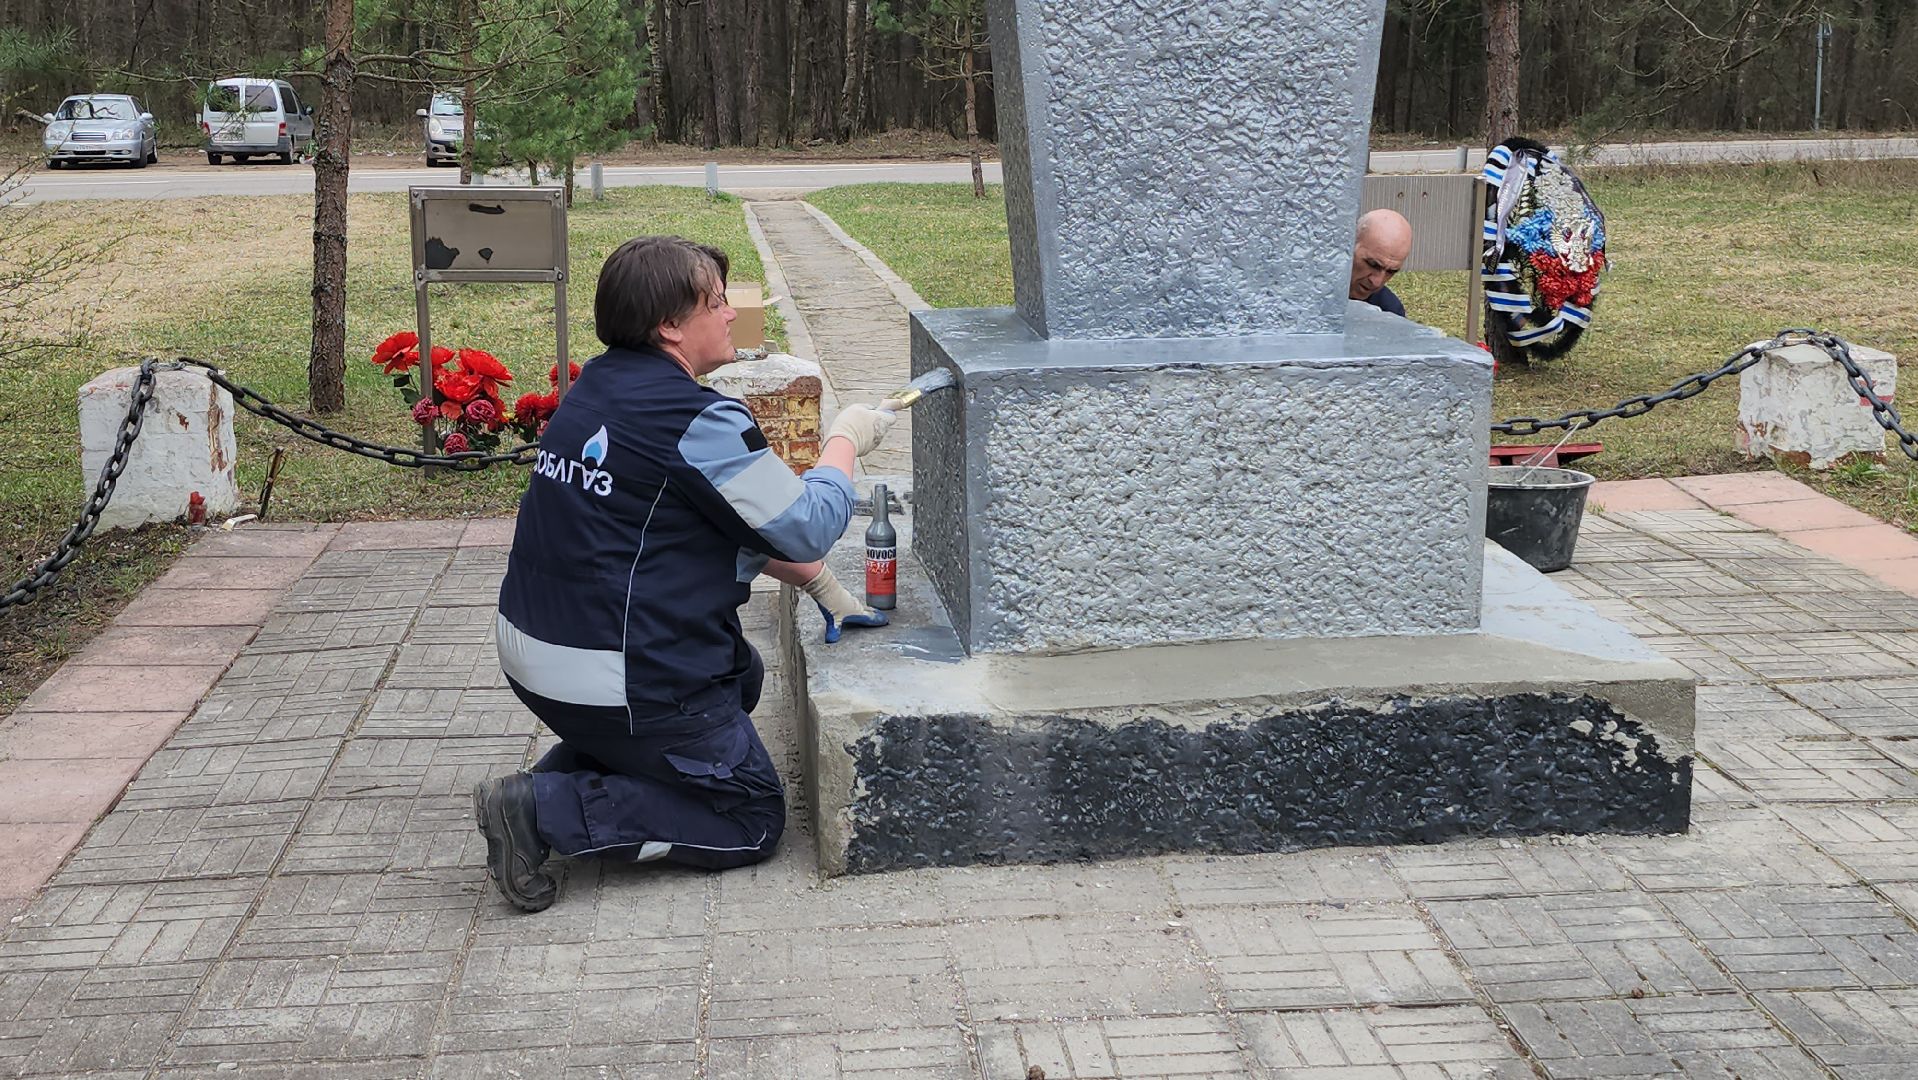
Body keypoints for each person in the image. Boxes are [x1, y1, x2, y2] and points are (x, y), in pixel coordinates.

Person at [475, 235, 897, 912]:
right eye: (717, 302)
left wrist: (817, 582)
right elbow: (809, 522)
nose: (731, 314)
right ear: (671, 325)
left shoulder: (596, 391)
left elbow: (684, 526)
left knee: (739, 677)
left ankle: (563, 775)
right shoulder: (694, 420)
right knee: (751, 816)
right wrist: (844, 440)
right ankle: (544, 809)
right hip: (607, 672)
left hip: (535, 652)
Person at [1349, 208, 1413, 318]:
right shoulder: (1312, 290)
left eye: (1391, 272)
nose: (1377, 282)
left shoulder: (1389, 311)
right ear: (1349, 246)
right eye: (1372, 264)